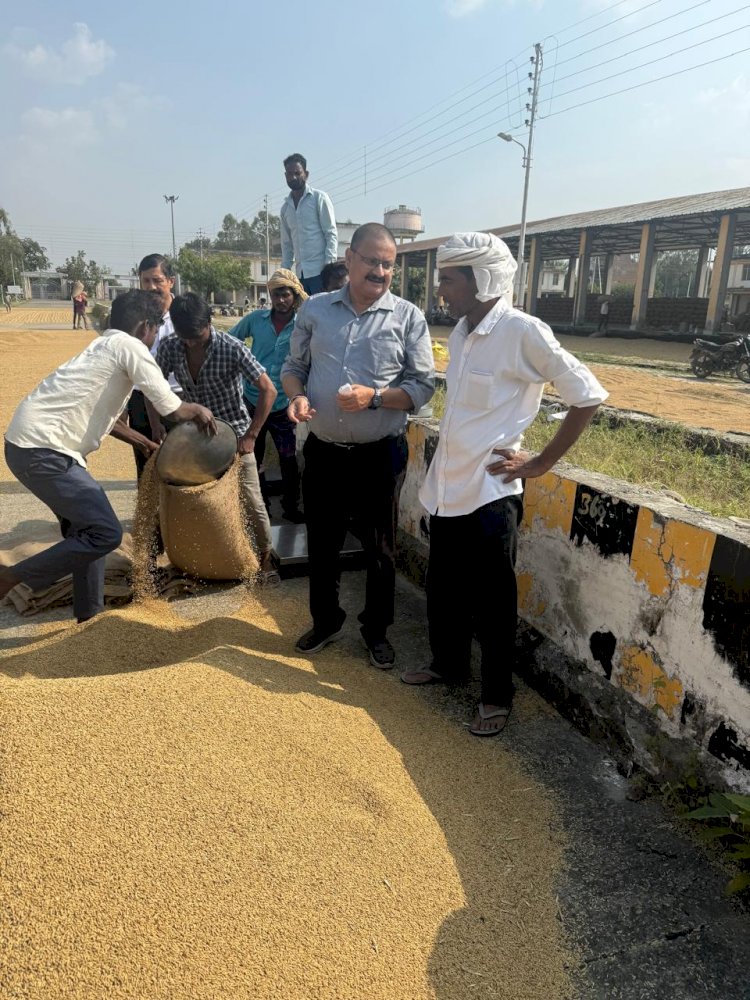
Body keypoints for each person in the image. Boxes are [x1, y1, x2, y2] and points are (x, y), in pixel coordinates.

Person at [401, 232, 608, 736]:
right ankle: (448, 665)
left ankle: (496, 697)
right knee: (444, 589)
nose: (440, 290)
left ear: (481, 279)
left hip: (492, 494)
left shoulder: (523, 332)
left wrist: (540, 462)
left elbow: (587, 395)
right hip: (448, 487)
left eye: (448, 279)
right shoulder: (464, 334)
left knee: (494, 604)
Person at [0, 290, 216, 621]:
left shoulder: (103, 345)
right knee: (106, 533)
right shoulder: (131, 347)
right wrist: (198, 410)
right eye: (156, 330)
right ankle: (14, 577)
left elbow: (112, 420)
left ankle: (90, 616)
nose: (155, 337)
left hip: (26, 444)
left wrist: (142, 442)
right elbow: (170, 407)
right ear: (145, 326)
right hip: (44, 450)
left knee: (86, 532)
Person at [281, 222, 434, 666]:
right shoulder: (315, 311)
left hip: (379, 454)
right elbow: (294, 367)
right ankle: (326, 620)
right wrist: (298, 396)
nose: (380, 271)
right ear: (349, 259)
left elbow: (423, 388)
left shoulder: (408, 317)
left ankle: (376, 630)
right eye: (371, 261)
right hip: (325, 451)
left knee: (380, 548)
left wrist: (375, 399)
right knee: (323, 543)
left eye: (388, 264)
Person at [158, 293, 280, 585]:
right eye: (186, 338)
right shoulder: (170, 346)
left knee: (251, 499)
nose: (191, 344)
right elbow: (155, 389)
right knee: (197, 501)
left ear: (209, 323)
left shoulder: (231, 348)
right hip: (194, 440)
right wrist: (158, 427)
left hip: (234, 436)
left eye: (197, 338)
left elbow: (269, 390)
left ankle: (265, 557)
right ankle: (204, 559)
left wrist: (251, 435)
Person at [229, 268, 307, 523]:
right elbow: (230, 341)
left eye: (285, 295)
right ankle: (258, 506)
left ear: (294, 296)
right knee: (252, 456)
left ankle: (291, 506)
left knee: (288, 460)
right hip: (254, 399)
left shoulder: (303, 324)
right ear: (269, 296)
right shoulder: (255, 320)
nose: (280, 300)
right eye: (275, 295)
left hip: (285, 403)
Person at [126, 253, 183, 477]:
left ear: (171, 281)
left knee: (180, 463)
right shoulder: (132, 316)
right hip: (140, 399)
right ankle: (149, 511)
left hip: (178, 397)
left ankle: (176, 511)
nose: (151, 287)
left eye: (157, 280)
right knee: (146, 463)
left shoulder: (185, 314)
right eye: (146, 281)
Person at [280, 153, 338, 296]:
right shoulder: (285, 208)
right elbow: (287, 246)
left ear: (306, 174)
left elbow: (331, 233)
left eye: (297, 173)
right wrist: (284, 274)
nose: (293, 177)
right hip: (300, 276)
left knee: (324, 316)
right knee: (305, 316)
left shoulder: (319, 198)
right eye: (289, 174)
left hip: (320, 272)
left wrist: (329, 268)